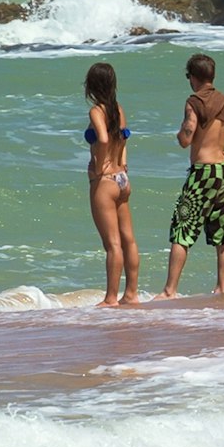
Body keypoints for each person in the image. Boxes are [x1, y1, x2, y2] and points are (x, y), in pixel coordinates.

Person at [161, 52, 224, 298]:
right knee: (220, 233)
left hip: (202, 173)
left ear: (193, 77)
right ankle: (221, 288)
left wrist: (179, 135)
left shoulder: (194, 101)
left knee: (182, 229)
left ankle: (170, 291)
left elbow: (187, 137)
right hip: (223, 172)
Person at [82, 61, 141, 306]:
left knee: (112, 244)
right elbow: (124, 137)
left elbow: (104, 139)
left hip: (105, 181)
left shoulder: (97, 111)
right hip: (122, 179)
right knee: (129, 239)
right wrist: (122, 163)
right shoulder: (118, 108)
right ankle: (131, 294)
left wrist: (98, 165)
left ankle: (110, 298)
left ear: (92, 85)